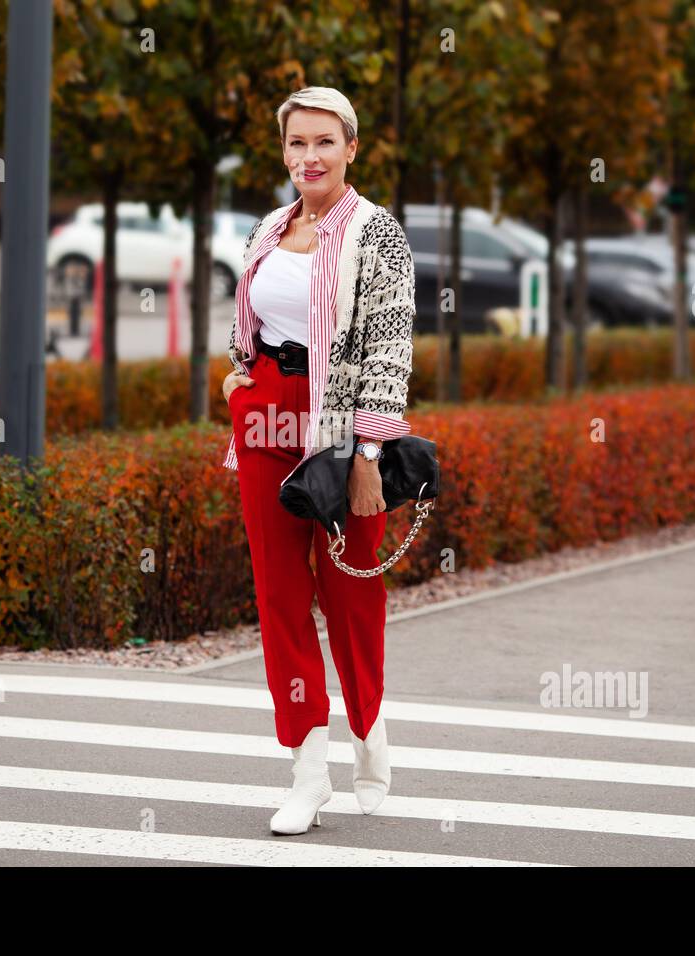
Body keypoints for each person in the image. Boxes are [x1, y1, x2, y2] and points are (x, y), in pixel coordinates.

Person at [220, 86, 416, 835]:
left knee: (351, 588)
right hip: (265, 418)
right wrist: (237, 375)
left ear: (352, 148)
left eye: (324, 142)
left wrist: (369, 452)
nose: (309, 157)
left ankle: (368, 725)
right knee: (278, 595)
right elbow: (252, 319)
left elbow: (390, 350)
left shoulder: (379, 233)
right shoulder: (270, 227)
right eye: (297, 143)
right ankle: (308, 767)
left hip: (338, 426)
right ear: (284, 150)